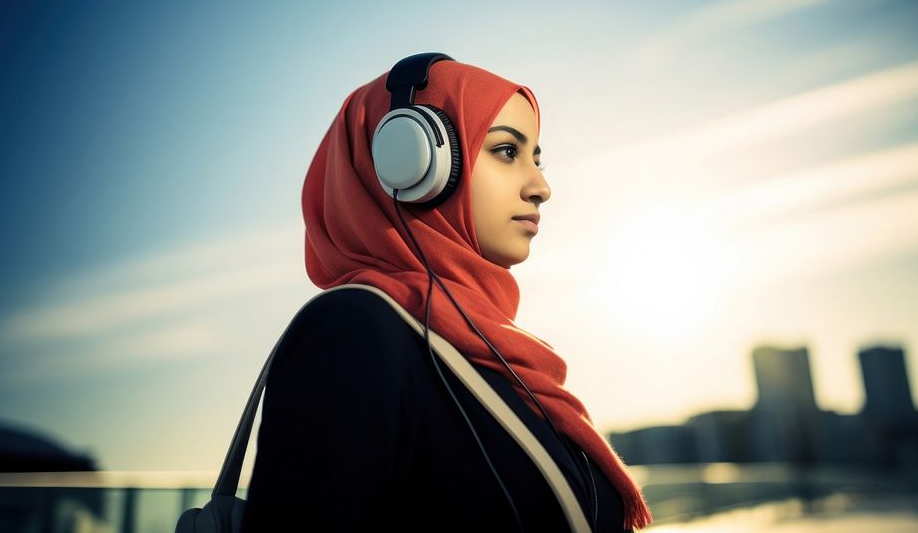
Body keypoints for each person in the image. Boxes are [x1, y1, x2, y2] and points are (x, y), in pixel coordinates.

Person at [241, 55, 652, 532]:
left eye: (537, 158)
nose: (541, 187)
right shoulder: (354, 330)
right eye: (505, 151)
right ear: (410, 164)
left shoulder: (493, 349)